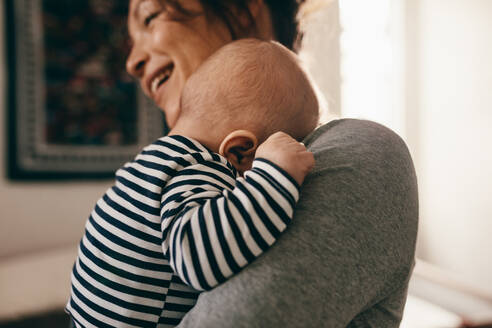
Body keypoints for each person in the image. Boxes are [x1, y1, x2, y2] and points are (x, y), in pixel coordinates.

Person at [127, 0, 419, 327]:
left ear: (241, 8)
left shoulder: (359, 154)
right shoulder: (177, 173)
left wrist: (273, 175)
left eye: (150, 17)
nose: (131, 62)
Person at [66, 38, 319, 327]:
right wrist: (276, 174)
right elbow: (199, 260)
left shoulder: (153, 163)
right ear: (239, 151)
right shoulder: (199, 167)